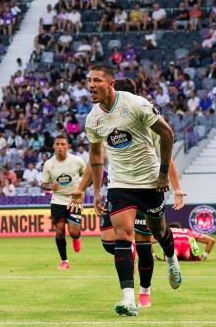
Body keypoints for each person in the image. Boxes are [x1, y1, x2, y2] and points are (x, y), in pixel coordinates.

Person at [71, 78, 187, 308]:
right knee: (117, 239)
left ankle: (163, 269)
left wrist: (177, 188)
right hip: (120, 184)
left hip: (149, 183)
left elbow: (168, 155)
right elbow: (96, 159)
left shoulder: (143, 117)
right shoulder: (100, 119)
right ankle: (129, 298)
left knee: (153, 234)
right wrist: (82, 189)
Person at [40, 135, 86, 269]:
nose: (60, 147)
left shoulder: (77, 161)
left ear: (68, 146)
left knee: (73, 232)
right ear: (54, 146)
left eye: (63, 144)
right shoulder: (49, 164)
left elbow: (87, 176)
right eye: (58, 144)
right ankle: (64, 261)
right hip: (57, 201)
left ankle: (76, 238)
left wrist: (81, 191)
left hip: (74, 200)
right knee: (59, 231)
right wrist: (50, 187)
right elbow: (44, 184)